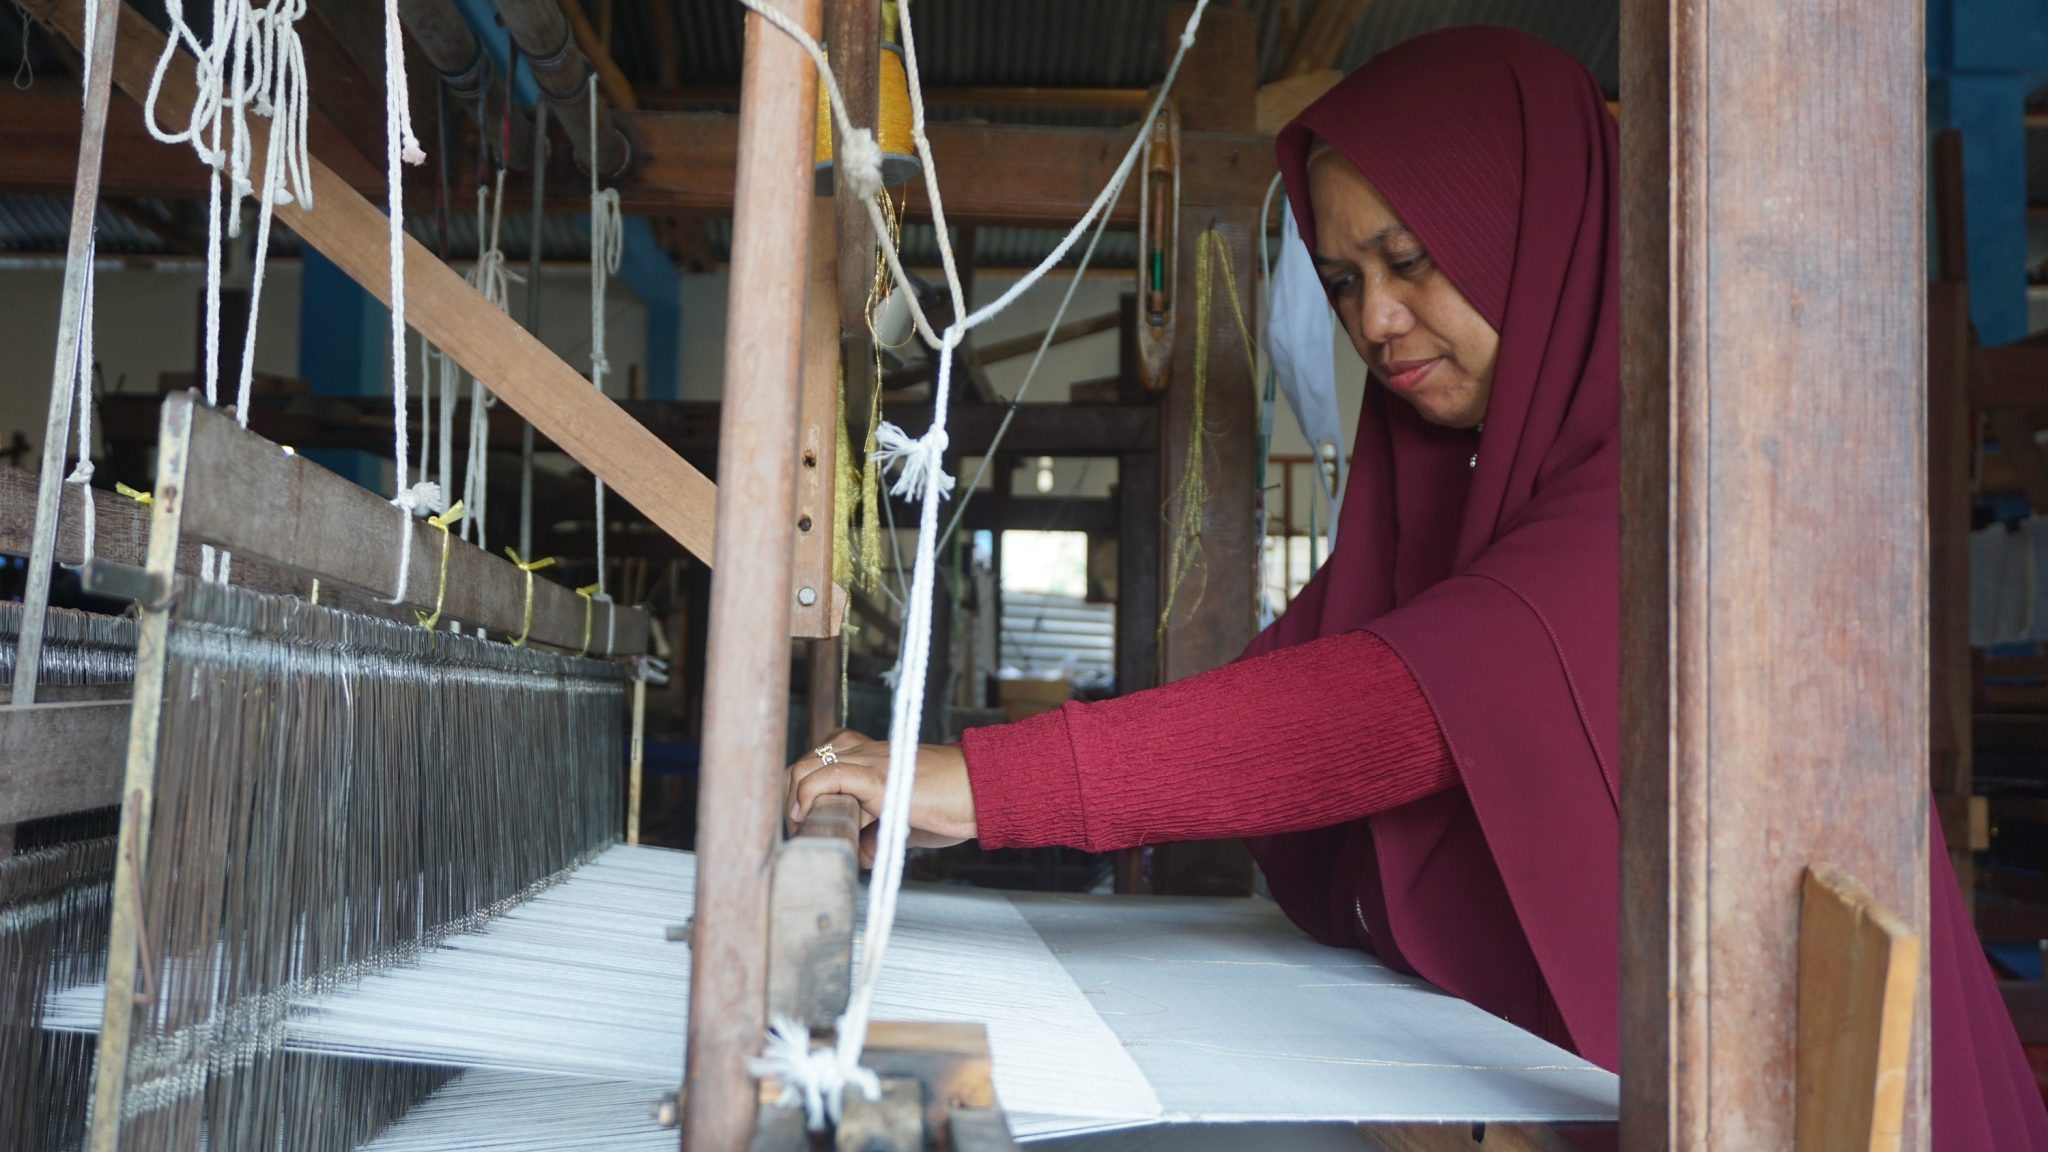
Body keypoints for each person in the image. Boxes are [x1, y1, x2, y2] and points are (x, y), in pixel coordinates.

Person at [786, 27, 2048, 1148]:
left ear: (1534, 234)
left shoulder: (1677, 485)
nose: (1377, 320)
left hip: (1825, 1104)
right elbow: (1293, 678)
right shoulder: (1470, 486)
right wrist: (964, 774)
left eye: (1412, 261)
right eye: (1344, 282)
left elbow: (1393, 709)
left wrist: (988, 785)